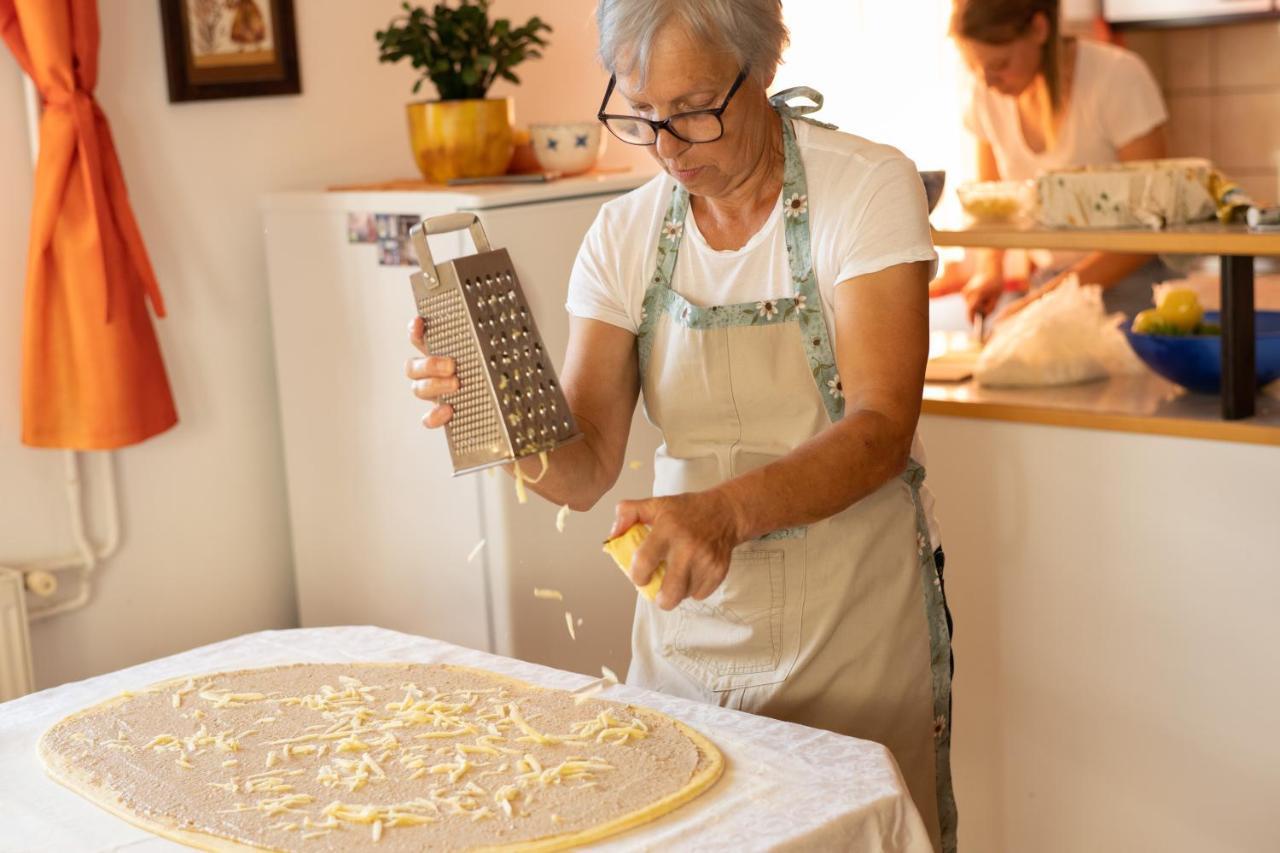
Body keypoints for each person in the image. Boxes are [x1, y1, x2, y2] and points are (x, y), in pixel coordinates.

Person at [406, 2, 955, 849]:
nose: (667, 146)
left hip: (851, 636)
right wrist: (496, 409)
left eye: (695, 110)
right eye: (640, 114)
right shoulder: (625, 232)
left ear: (762, 67)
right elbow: (585, 465)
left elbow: (882, 425)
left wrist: (725, 512)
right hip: (686, 642)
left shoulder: (867, 186)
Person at [933, 0, 1171, 322]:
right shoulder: (985, 97)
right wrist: (990, 270)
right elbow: (991, 207)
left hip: (1133, 286)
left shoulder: (1117, 77)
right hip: (1049, 280)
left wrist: (1042, 303)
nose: (988, 81)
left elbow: (1152, 225)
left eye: (1000, 63)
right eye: (976, 68)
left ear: (1039, 28)